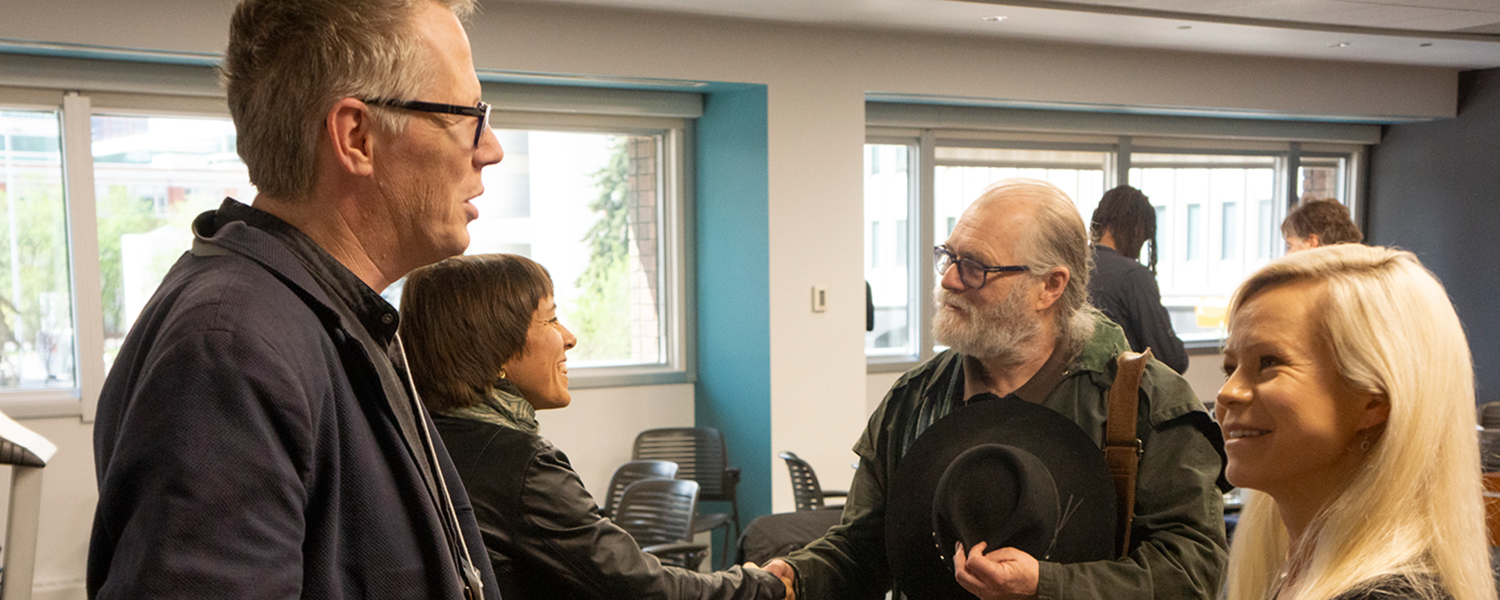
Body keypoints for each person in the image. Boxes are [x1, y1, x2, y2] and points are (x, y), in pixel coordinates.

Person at [88, 0, 505, 597]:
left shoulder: (327, 317)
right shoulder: (232, 350)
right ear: (356, 136)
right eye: (468, 115)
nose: (489, 149)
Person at [765, 178, 1228, 599]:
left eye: (974, 267)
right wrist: (789, 579)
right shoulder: (914, 401)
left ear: (1049, 286)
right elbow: (865, 548)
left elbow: (1192, 571)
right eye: (947, 257)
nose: (947, 280)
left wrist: (1047, 587)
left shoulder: (1144, 404)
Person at [400, 254, 789, 600]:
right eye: (551, 320)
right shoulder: (521, 466)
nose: (570, 337)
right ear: (495, 350)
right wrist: (756, 586)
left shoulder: (417, 438)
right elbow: (639, 586)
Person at [1217, 245, 1493, 600]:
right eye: (1230, 367)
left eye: (1268, 362)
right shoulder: (1292, 571)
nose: (1228, 393)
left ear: (1375, 400)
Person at [1086, 185, 1189, 374]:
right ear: (1137, 228)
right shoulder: (1132, 275)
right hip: (1118, 396)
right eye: (1144, 237)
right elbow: (1169, 358)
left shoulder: (1071, 267)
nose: (1141, 246)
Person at [1281, 197, 1362, 252]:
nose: (1287, 254)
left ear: (1311, 242)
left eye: (1290, 246)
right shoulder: (1363, 272)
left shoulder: (1317, 277)